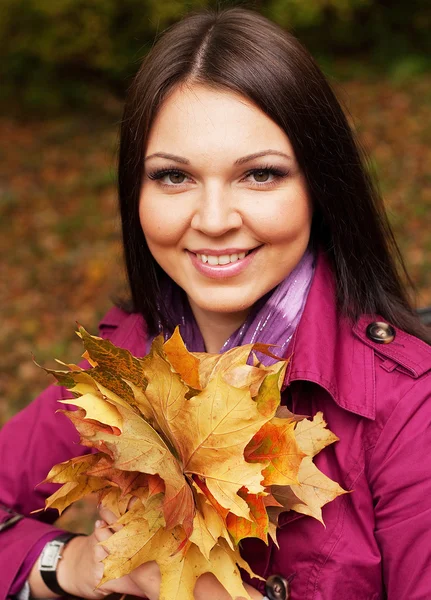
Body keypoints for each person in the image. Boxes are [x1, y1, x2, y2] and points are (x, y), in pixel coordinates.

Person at [1, 6, 430, 600]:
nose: (213, 220)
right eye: (175, 177)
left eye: (259, 175)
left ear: (320, 186)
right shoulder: (124, 363)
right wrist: (72, 566)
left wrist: (201, 589)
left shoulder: (407, 406)